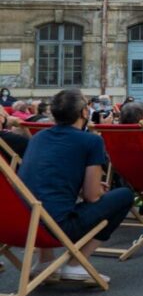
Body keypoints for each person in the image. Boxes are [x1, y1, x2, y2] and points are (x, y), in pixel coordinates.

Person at [18, 89, 134, 283]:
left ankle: (46, 260)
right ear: (84, 113)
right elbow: (92, 197)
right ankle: (75, 263)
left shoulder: (38, 137)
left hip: (23, 224)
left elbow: (47, 177)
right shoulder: (91, 140)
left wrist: (83, 187)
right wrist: (95, 189)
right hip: (57, 227)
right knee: (124, 196)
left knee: (43, 197)